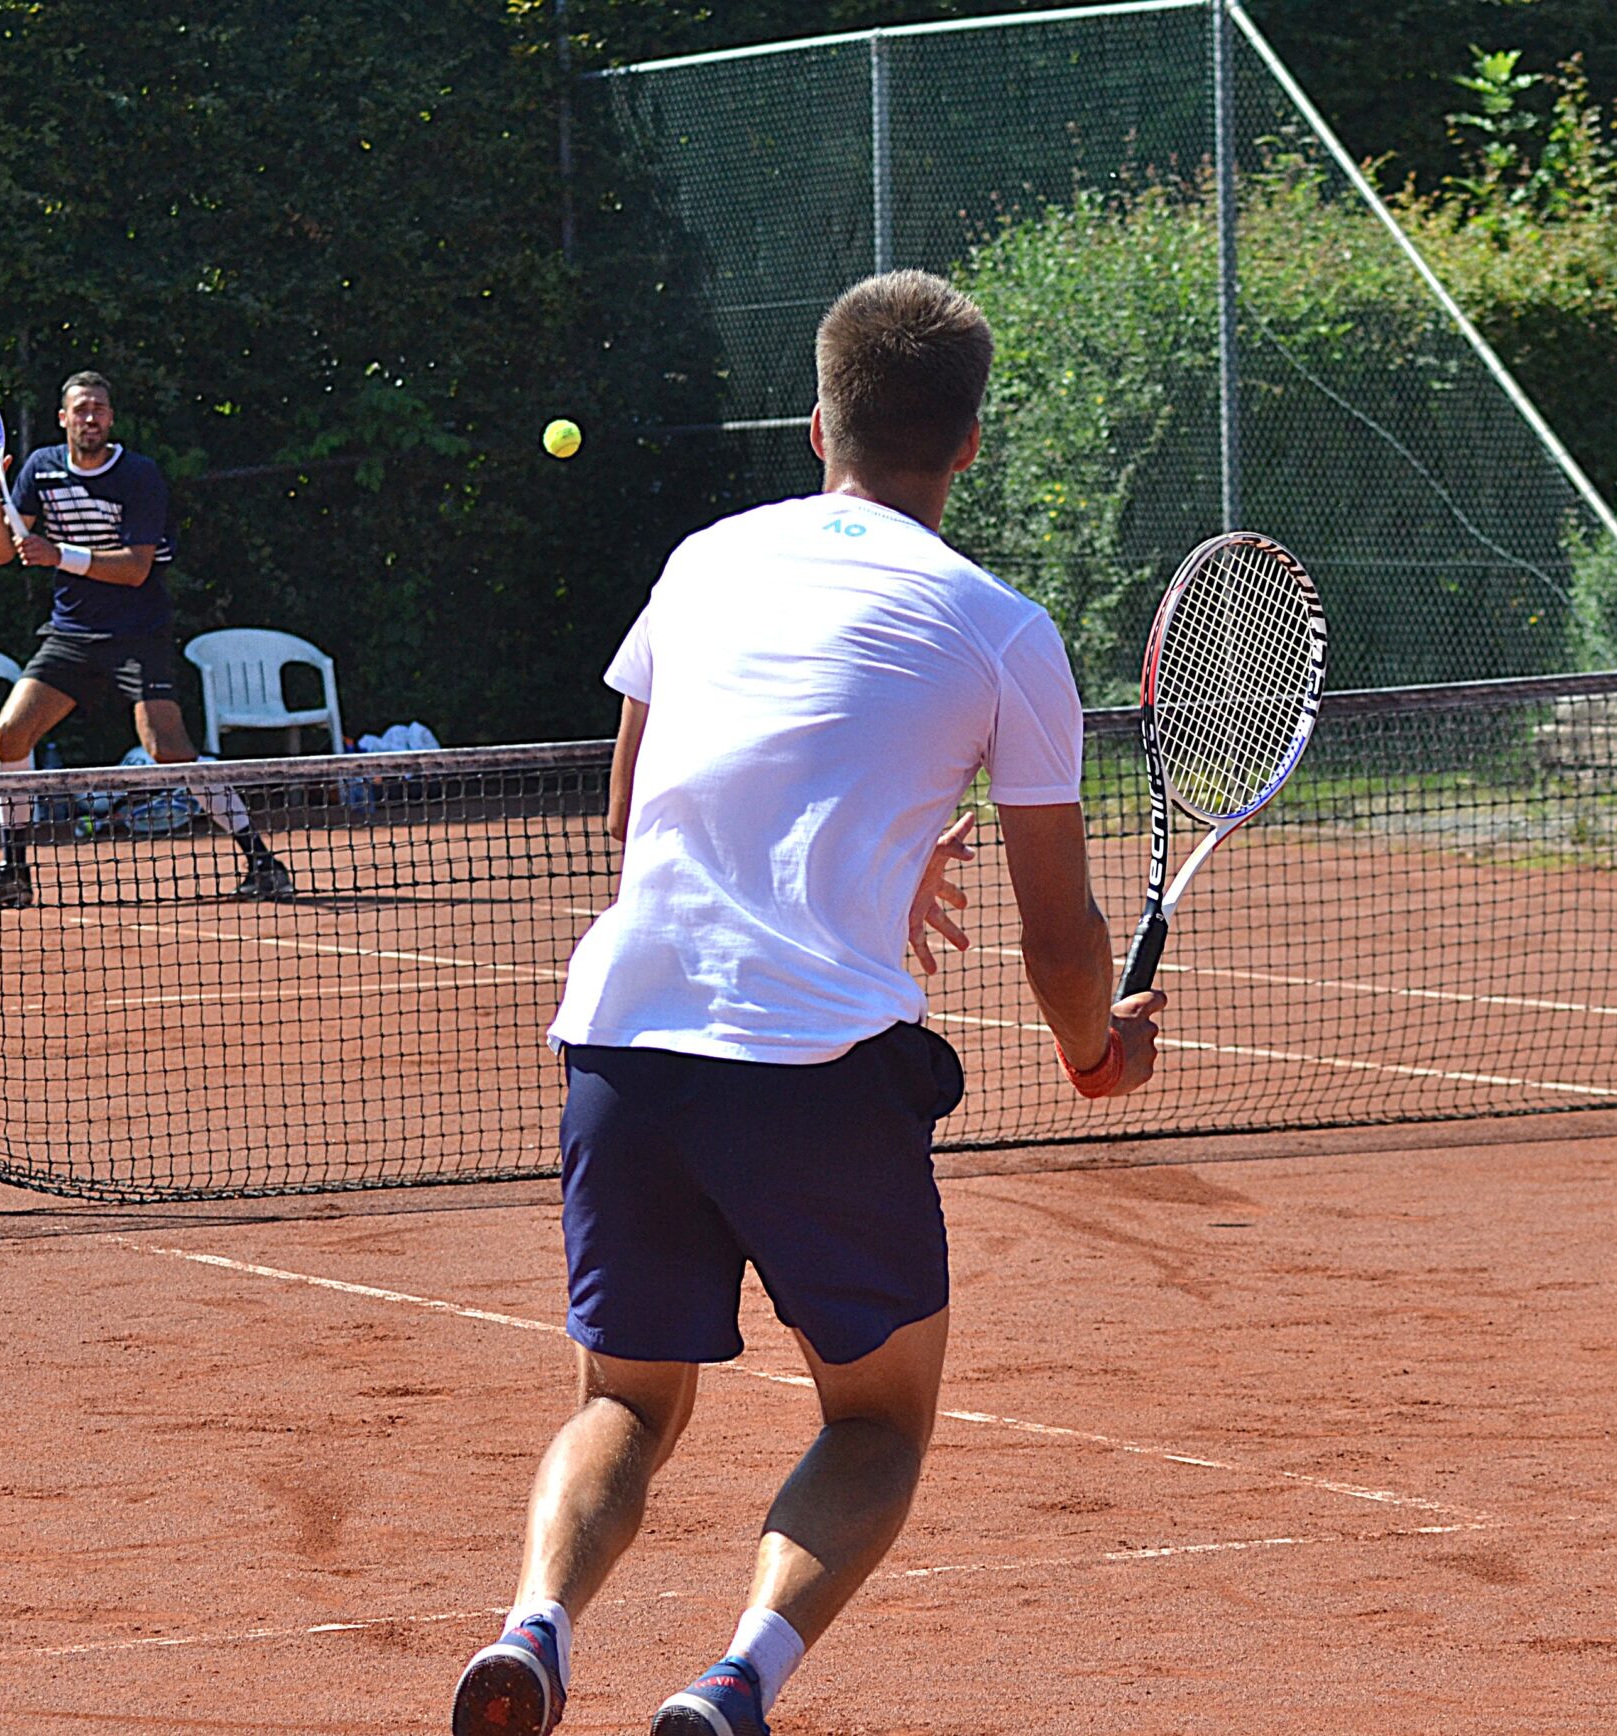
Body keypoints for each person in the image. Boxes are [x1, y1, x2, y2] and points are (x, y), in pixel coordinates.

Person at [449, 272, 1166, 1736]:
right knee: (878, 1418)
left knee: (624, 1402)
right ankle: (734, 1685)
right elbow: (1057, 934)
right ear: (970, 443)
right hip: (817, 1072)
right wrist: (1100, 1054)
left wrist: (865, 860)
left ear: (818, 425)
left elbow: (636, 817)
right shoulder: (1003, 629)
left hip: (624, 1047)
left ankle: (533, 1627)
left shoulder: (704, 560)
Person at [0, 370, 294, 907]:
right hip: (70, 634)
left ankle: (262, 861)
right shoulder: (40, 468)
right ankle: (14, 873)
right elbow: (2, 553)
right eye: (80, 409)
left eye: (99, 408)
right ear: (63, 419)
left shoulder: (139, 475)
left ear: (111, 418)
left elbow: (136, 568)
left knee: (167, 750)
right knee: (11, 733)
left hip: (138, 634)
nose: (90, 417)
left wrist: (59, 554)